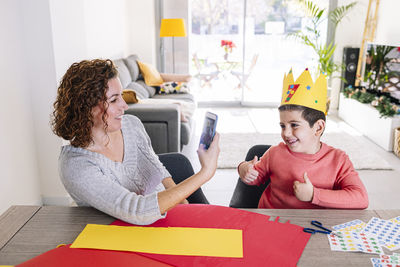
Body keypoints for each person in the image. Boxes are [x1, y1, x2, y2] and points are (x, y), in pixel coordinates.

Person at [51, 59, 220, 225]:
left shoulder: (131, 124)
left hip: (166, 216)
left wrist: (184, 207)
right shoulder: (76, 166)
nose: (124, 105)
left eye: (122, 96)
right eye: (114, 100)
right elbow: (138, 211)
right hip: (128, 235)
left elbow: (157, 169)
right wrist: (205, 172)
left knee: (216, 226)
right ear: (86, 108)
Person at [237, 69, 368, 209]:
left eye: (294, 125)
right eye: (282, 125)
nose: (286, 133)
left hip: (315, 226)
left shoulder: (338, 160)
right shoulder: (275, 153)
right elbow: (254, 178)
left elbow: (361, 198)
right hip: (271, 222)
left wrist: (314, 194)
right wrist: (244, 169)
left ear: (318, 128)